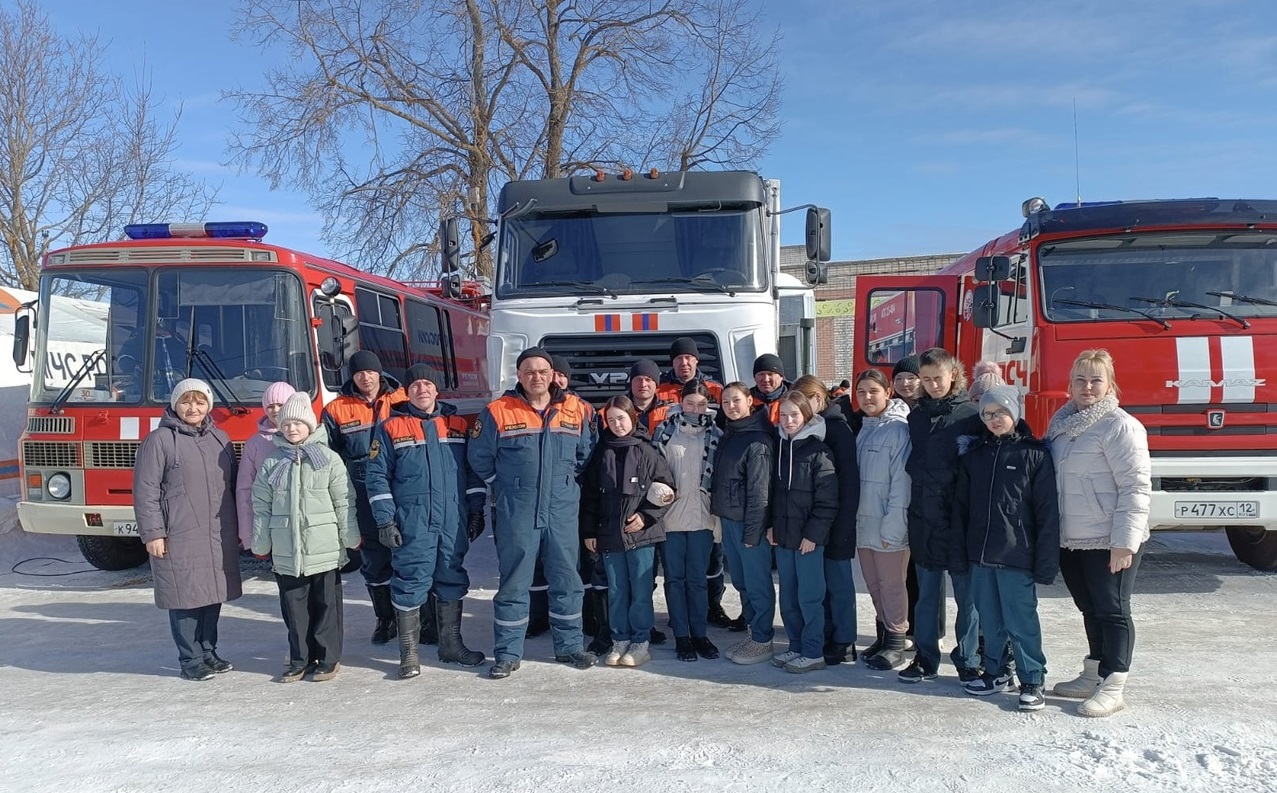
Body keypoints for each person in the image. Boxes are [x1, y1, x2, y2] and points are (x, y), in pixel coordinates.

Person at [468, 347, 597, 679]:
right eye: (529, 372)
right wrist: (506, 485)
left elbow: (584, 454)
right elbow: (479, 456)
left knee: (568, 579)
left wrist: (565, 482)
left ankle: (569, 647)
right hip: (518, 509)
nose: (536, 377)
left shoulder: (576, 410)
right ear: (519, 376)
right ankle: (508, 653)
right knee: (514, 581)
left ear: (552, 374)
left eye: (542, 371)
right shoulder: (498, 411)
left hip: (562, 508)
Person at [365, 364, 488, 679]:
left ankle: (451, 645)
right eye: (416, 384)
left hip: (452, 518)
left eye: (427, 384)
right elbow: (377, 478)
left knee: (451, 576)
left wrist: (476, 510)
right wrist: (385, 521)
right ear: (407, 391)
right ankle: (409, 654)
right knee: (411, 581)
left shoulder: (458, 425)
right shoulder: (391, 427)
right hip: (413, 520)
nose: (422, 389)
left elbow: (472, 473)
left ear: (437, 390)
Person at [1047, 349, 1151, 717]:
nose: (1087, 387)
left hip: (1110, 537)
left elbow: (1136, 487)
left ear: (1109, 384)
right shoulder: (1061, 423)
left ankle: (1114, 683)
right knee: (1088, 606)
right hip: (1072, 536)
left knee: (1113, 609)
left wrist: (1125, 542)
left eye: (1096, 380)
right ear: (1070, 384)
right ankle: (1094, 672)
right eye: (1080, 379)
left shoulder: (1119, 425)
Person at [952, 385, 1059, 708]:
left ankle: (1032, 677)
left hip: (1017, 556)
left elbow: (1047, 513)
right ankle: (996, 670)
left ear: (1014, 412)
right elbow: (961, 509)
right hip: (981, 556)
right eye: (987, 414)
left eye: (1000, 412)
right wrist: (959, 553)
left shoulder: (1034, 455)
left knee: (1021, 620)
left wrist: (1045, 561)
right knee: (990, 620)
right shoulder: (974, 457)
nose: (994, 419)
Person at [133, 378, 241, 681]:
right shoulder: (159, 440)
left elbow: (232, 487)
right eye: (186, 402)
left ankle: (209, 651)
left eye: (200, 401)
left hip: (217, 532)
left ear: (208, 406)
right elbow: (145, 490)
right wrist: (153, 533)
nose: (193, 408)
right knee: (184, 597)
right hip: (179, 532)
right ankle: (190, 658)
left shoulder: (221, 438)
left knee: (211, 594)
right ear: (175, 405)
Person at [252, 392, 360, 683]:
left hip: (323, 547)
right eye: (286, 424)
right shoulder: (273, 463)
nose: (292, 429)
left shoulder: (328, 459)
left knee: (326, 605)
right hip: (287, 550)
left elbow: (344, 500)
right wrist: (261, 541)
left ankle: (327, 659)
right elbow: (260, 504)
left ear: (310, 426)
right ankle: (299, 659)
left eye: (298, 424)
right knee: (295, 609)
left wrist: (350, 535)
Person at [901, 348, 990, 681]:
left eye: (938, 377)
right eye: (926, 379)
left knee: (967, 598)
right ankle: (925, 657)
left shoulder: (970, 415)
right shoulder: (917, 417)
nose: (933, 384)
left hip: (959, 521)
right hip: (924, 519)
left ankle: (967, 657)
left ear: (953, 374)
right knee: (926, 595)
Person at [580, 396, 676, 668]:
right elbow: (590, 497)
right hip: (609, 534)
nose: (617, 424)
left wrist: (646, 517)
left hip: (640, 536)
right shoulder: (601, 452)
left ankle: (640, 640)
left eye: (621, 418)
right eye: (611, 420)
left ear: (633, 418)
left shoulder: (647, 451)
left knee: (640, 590)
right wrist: (589, 531)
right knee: (618, 590)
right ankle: (619, 638)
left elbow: (667, 490)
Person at [321, 349, 408, 646]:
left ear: (380, 372)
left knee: (409, 552)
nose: (365, 377)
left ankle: (418, 618)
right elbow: (328, 454)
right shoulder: (336, 409)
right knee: (374, 555)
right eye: (359, 372)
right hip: (360, 489)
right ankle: (385, 619)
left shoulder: (403, 400)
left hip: (402, 483)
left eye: (370, 371)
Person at [651, 382, 723, 662]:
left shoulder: (716, 434)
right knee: (674, 580)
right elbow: (654, 472)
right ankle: (682, 636)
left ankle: (700, 634)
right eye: (690, 403)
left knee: (697, 580)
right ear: (681, 403)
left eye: (701, 404)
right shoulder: (665, 433)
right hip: (671, 519)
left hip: (702, 518)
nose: (695, 409)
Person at [792, 375, 861, 666]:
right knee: (820, 585)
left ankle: (845, 641)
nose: (802, 404)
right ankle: (828, 635)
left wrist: (843, 525)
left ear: (819, 399)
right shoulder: (809, 428)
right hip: (816, 523)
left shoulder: (836, 428)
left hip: (838, 522)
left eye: (806, 397)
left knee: (839, 584)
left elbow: (848, 481)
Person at [768, 393, 839, 673]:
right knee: (789, 595)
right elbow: (775, 495)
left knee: (810, 597)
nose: (788, 421)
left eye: (794, 415)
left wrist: (813, 535)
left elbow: (828, 500)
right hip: (784, 537)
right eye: (783, 415)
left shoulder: (819, 452)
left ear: (806, 416)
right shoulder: (780, 446)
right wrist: (772, 526)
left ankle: (813, 651)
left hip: (808, 541)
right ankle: (795, 646)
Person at [852, 370, 913, 671]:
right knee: (874, 584)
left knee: (892, 584)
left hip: (888, 524)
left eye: (873, 391)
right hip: (865, 522)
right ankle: (883, 634)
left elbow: (901, 484)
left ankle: (897, 642)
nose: (866, 398)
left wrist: (894, 526)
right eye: (861, 392)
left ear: (888, 392)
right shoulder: (866, 428)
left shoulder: (898, 430)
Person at [712, 382, 777, 665]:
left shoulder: (758, 440)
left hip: (749, 524)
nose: (731, 406)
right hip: (729, 520)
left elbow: (759, 491)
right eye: (725, 402)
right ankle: (753, 630)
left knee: (757, 582)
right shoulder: (730, 433)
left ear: (749, 401)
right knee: (740, 581)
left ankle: (763, 639)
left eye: (736, 400)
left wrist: (753, 532)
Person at [236, 381, 296, 551]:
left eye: (281, 404)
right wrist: (249, 536)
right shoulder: (255, 444)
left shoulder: (309, 438)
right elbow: (245, 491)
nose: (275, 410)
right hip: (273, 526)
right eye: (270, 406)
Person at [656, 336, 724, 404]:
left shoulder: (715, 389)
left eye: (688, 357)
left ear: (696, 360)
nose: (684, 363)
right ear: (673, 362)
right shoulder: (657, 388)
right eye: (679, 358)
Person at [627, 358, 675, 435]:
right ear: (631, 383)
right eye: (638, 379)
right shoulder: (615, 412)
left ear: (656, 384)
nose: (643, 384)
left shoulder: (670, 413)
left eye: (648, 380)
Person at [750, 353, 791, 424]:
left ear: (781, 377)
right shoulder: (746, 401)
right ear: (754, 377)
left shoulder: (795, 400)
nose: (766, 379)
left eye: (770, 374)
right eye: (761, 374)